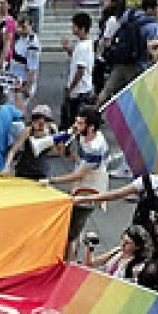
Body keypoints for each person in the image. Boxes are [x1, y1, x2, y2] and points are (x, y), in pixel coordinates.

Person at [43, 107, 108, 255]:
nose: (75, 127)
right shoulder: (86, 135)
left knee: (71, 231)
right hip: (84, 181)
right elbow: (78, 159)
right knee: (72, 225)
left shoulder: (95, 147)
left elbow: (79, 175)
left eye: (80, 124)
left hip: (89, 188)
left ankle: (69, 261)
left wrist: (52, 180)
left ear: (91, 127)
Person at [96, 0, 158, 107]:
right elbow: (151, 47)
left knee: (107, 90)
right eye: (157, 7)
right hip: (138, 64)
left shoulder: (129, 14)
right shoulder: (152, 26)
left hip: (121, 59)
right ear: (150, 9)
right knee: (138, 96)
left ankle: (94, 112)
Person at [60, 12, 94, 129]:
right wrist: (68, 49)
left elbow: (80, 70)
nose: (72, 29)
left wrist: (70, 88)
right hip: (81, 89)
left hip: (79, 91)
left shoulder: (83, 47)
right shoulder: (83, 44)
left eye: (74, 26)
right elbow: (77, 59)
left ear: (82, 28)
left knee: (72, 123)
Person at [83, 225, 151, 281]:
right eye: (122, 240)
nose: (122, 244)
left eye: (127, 243)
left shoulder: (138, 266)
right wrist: (90, 248)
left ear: (137, 246)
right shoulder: (117, 251)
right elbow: (90, 264)